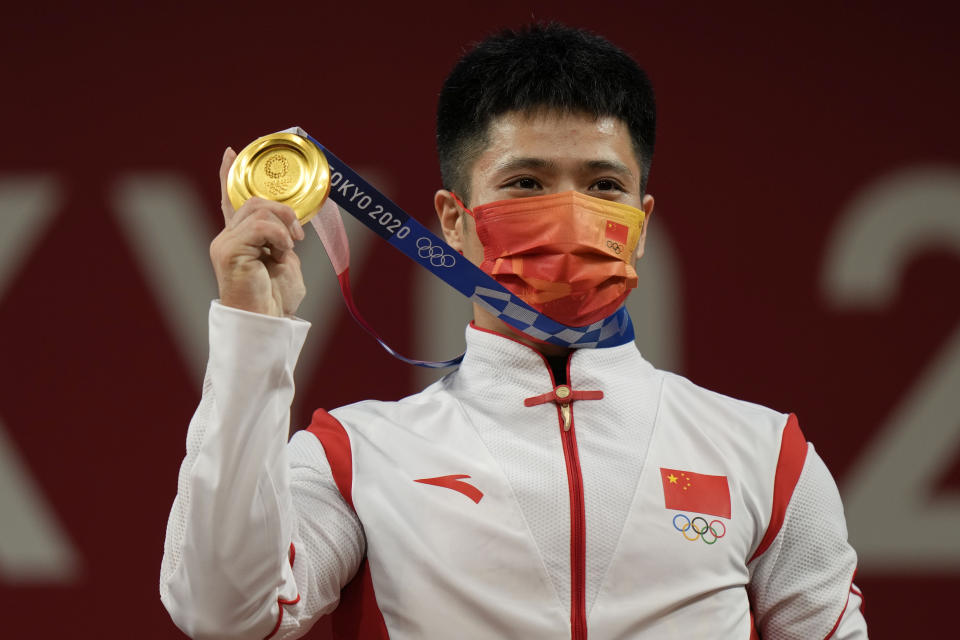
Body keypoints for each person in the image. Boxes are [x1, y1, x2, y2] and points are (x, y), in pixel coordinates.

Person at [160, 23, 867, 640]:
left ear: (643, 223)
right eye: (526, 183)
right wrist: (254, 333)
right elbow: (225, 613)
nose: (569, 212)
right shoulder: (356, 458)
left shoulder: (766, 457)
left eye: (603, 186)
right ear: (452, 218)